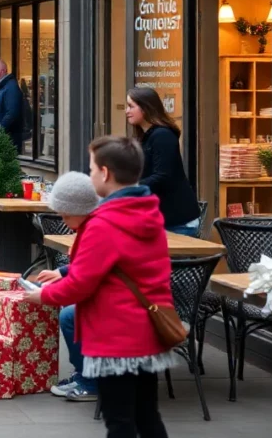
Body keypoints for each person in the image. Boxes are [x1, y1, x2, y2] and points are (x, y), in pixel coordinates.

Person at [26, 136, 175, 437]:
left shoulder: (104, 223)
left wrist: (41, 297)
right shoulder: (147, 212)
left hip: (115, 335)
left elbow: (79, 285)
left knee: (119, 421)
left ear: (105, 174)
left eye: (92, 168)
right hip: (147, 331)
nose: (90, 174)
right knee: (146, 416)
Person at [31, 171, 101, 403]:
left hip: (125, 301)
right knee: (71, 311)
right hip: (119, 292)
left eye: (64, 215)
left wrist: (44, 296)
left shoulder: (96, 231)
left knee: (71, 314)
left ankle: (91, 381)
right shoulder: (94, 225)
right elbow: (90, 265)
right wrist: (61, 272)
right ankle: (84, 374)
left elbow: (83, 282)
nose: (62, 220)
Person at [126, 86, 199, 235]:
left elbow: (162, 176)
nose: (127, 111)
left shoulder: (162, 136)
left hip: (178, 222)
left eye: (131, 106)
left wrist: (128, 188)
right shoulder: (145, 137)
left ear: (145, 108)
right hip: (160, 219)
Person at [0, 60, 25, 151]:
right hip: (1, 139)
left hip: (8, 141)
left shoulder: (10, 87)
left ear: (3, 71)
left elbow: (12, 113)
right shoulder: (1, 87)